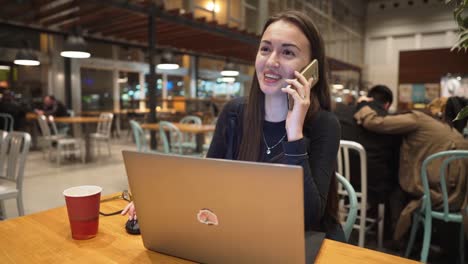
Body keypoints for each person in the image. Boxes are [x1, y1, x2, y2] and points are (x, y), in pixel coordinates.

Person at [123, 10, 344, 241]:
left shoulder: (324, 125)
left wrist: (294, 133)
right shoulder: (234, 113)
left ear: (311, 68)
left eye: (287, 52)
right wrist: (158, 199)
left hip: (302, 242)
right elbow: (208, 182)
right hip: (244, 234)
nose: (271, 62)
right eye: (265, 49)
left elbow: (309, 218)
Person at [354, 92, 468, 242]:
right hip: (457, 199)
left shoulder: (420, 120)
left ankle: (395, 239)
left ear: (441, 110)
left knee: (394, 185)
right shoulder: (460, 138)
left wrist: (363, 104)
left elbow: (375, 122)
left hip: (431, 193)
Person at [334, 85, 402, 238]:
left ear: (368, 97)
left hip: (341, 182)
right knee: (395, 181)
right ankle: (386, 236)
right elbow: (394, 161)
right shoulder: (388, 120)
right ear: (387, 105)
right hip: (373, 187)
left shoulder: (341, 112)